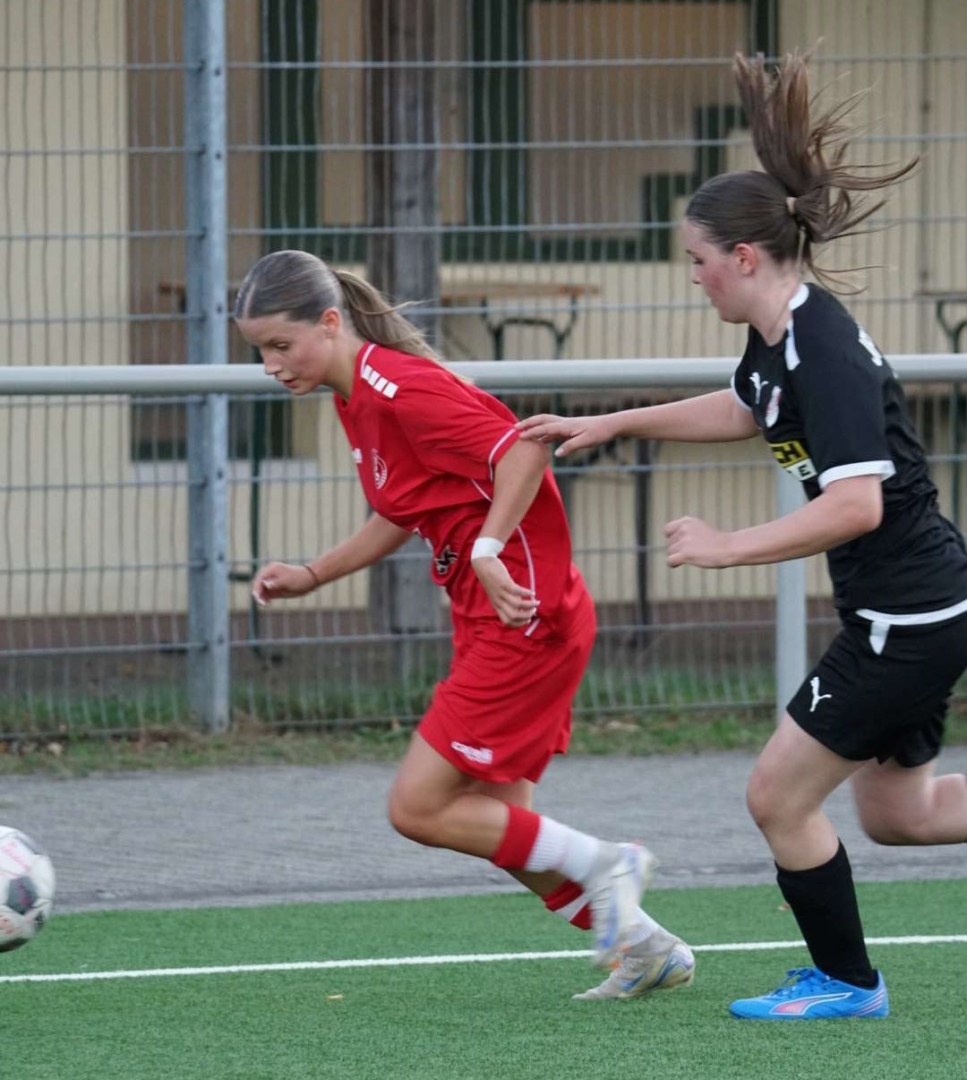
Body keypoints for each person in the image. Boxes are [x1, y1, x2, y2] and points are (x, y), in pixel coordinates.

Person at [518, 49, 967, 1020]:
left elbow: (856, 505)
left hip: (905, 616)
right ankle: (844, 977)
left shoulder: (822, 346)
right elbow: (745, 406)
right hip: (913, 603)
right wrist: (615, 422)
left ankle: (847, 985)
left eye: (697, 259)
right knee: (903, 816)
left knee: (776, 796)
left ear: (746, 258)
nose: (694, 277)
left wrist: (725, 546)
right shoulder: (777, 338)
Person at [233, 249, 694, 1001]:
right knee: (502, 829)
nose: (271, 365)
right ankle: (645, 946)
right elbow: (404, 506)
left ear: (330, 322)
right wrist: (314, 574)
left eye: (281, 345)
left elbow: (524, 450)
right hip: (493, 618)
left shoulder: (398, 387)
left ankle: (611, 865)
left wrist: (486, 548)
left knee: (416, 808)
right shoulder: (354, 395)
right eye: (260, 351)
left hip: (524, 614)